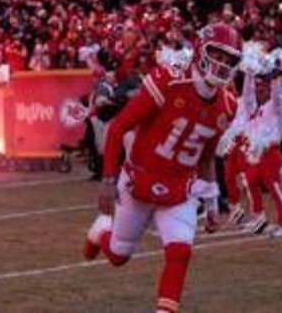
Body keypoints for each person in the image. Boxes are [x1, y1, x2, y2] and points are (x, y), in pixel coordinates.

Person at [83, 23, 242, 313]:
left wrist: (210, 202)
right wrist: (107, 179)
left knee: (180, 252)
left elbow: (206, 157)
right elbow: (119, 126)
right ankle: (101, 229)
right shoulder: (169, 80)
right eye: (218, 55)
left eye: (230, 60)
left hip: (179, 189)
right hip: (139, 181)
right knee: (119, 255)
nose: (222, 65)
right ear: (200, 51)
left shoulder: (227, 105)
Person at [243, 66, 282, 237]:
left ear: (269, 88)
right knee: (250, 181)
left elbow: (277, 96)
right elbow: (247, 96)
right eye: (258, 88)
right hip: (258, 154)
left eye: (263, 88)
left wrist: (276, 79)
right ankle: (259, 217)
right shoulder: (259, 109)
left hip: (271, 152)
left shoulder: (276, 106)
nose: (259, 91)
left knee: (274, 188)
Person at [221, 73, 257, 226]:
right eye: (229, 85)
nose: (230, 87)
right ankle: (236, 208)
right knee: (228, 177)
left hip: (244, 142)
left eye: (232, 84)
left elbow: (248, 89)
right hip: (232, 143)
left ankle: (257, 213)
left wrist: (248, 73)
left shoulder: (247, 101)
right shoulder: (229, 101)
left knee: (247, 180)